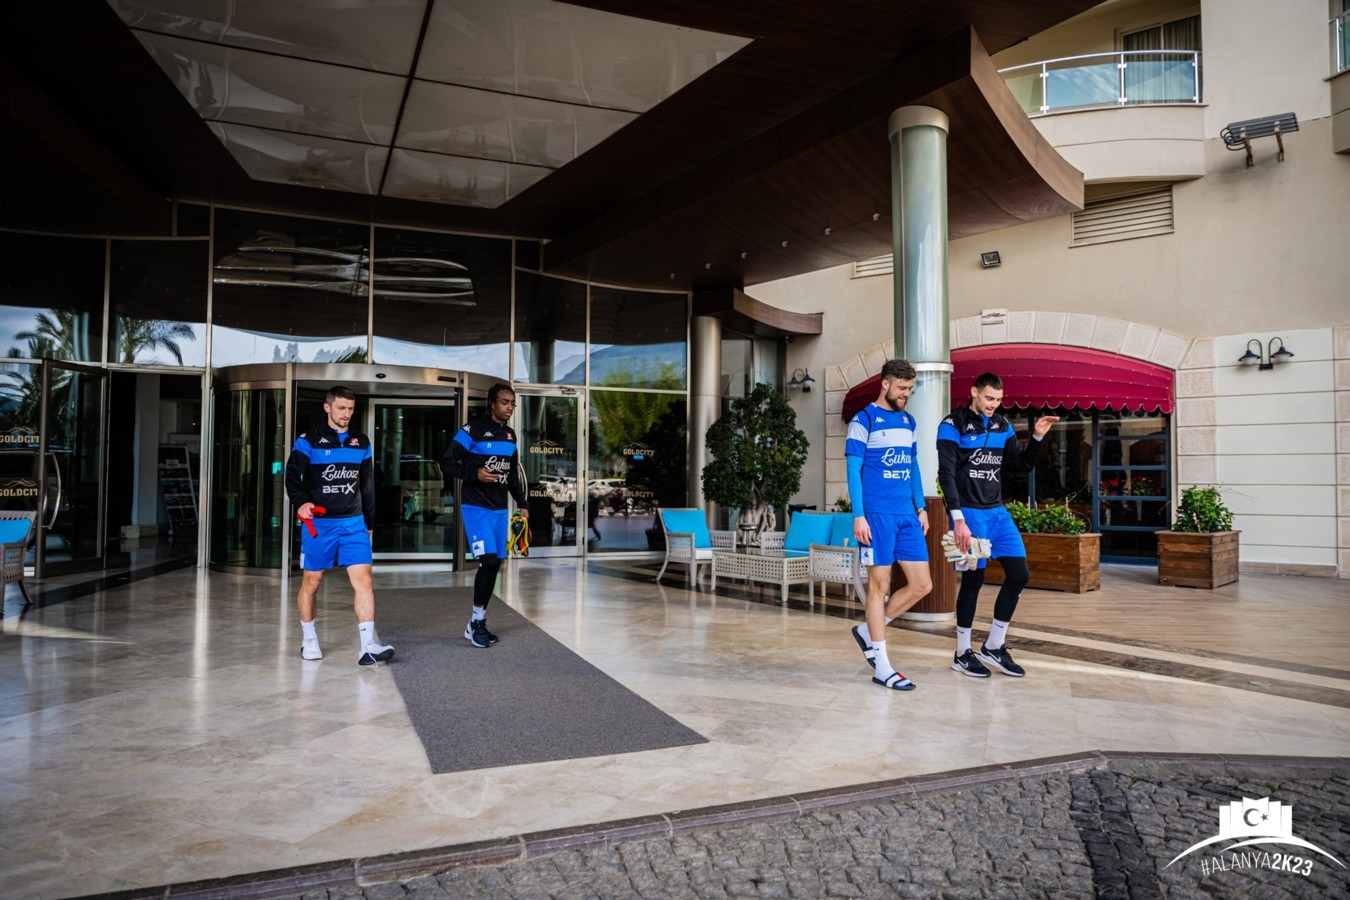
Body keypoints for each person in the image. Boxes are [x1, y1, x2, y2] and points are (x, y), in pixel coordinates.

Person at [937, 372, 1058, 678]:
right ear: (974, 392)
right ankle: (962, 653)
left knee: (1019, 574)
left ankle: (994, 646)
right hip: (968, 514)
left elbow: (1022, 466)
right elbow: (946, 474)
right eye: (989, 398)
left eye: (998, 400)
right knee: (973, 580)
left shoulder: (1002, 425)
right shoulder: (952, 425)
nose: (994, 404)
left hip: (997, 513)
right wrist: (958, 519)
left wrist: (1037, 437)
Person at [284, 386, 395, 666]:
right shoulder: (309, 440)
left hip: (353, 522)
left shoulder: (361, 442)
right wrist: (301, 502)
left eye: (350, 409)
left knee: (364, 580)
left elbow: (367, 486)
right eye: (341, 408)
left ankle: (367, 646)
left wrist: (370, 523)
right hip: (319, 524)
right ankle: (309, 639)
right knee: (312, 581)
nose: (347, 413)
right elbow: (291, 475)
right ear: (328, 408)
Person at [845, 359, 932, 692]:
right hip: (876, 516)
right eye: (902, 388)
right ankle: (882, 666)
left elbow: (913, 466)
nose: (906, 394)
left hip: (907, 516)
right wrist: (858, 515)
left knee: (922, 585)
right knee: (879, 587)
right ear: (885, 384)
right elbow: (853, 470)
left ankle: (868, 630)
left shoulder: (909, 421)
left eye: (910, 389)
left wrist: (921, 507)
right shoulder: (863, 419)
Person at [441, 384, 529, 648]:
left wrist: (523, 504)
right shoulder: (472, 430)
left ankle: (476, 621)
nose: (510, 407)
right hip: (476, 508)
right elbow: (447, 462)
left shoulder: (510, 436)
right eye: (504, 402)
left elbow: (511, 475)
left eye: (512, 403)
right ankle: (477, 622)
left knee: (495, 564)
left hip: (500, 510)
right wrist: (474, 474)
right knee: (488, 561)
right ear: (492, 403)